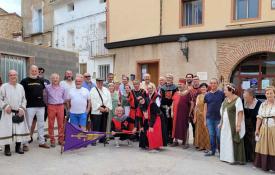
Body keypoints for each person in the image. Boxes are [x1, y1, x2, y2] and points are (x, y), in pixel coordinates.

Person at [0, 70, 30, 156]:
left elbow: (24, 99)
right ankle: (7, 149)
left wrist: (22, 108)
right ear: (8, 76)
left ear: (17, 76)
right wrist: (5, 106)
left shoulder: (20, 87)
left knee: (19, 130)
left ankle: (18, 147)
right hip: (8, 112)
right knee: (7, 130)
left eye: (15, 75)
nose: (13, 77)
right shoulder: (4, 87)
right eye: (11, 75)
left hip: (19, 112)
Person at [20, 65, 49, 149]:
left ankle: (41, 142)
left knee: (41, 124)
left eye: (35, 70)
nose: (34, 72)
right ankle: (25, 143)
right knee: (28, 125)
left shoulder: (41, 80)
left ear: (37, 71)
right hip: (29, 106)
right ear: (30, 71)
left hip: (40, 106)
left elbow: (44, 92)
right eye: (32, 70)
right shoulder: (24, 81)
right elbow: (21, 93)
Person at [220, 84, 246, 164]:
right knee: (225, 140)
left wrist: (238, 125)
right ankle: (225, 157)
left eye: (225, 90)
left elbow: (240, 112)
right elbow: (222, 111)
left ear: (231, 91)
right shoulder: (225, 99)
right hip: (225, 125)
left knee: (232, 140)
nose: (224, 92)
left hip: (233, 124)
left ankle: (234, 159)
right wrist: (221, 122)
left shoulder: (237, 99)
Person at [254, 86, 275, 171]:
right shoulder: (263, 104)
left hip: (273, 128)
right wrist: (257, 129)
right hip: (264, 128)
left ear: (274, 94)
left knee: (273, 147)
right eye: (267, 93)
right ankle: (265, 166)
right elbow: (259, 118)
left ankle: (273, 167)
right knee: (263, 147)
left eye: (271, 93)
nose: (269, 95)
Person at [45, 73, 67, 147]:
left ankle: (61, 139)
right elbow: (46, 98)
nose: (55, 79)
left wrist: (61, 103)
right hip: (51, 106)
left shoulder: (63, 88)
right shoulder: (47, 87)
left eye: (56, 78)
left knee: (61, 124)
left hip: (60, 106)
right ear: (51, 79)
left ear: (59, 79)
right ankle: (52, 140)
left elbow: (64, 98)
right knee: (51, 124)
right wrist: (48, 105)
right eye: (53, 78)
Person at [204, 78, 225, 156]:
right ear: (210, 84)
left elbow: (224, 106)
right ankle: (212, 151)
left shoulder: (222, 94)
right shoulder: (207, 95)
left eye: (215, 83)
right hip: (209, 118)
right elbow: (205, 108)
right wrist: (204, 119)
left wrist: (223, 119)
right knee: (212, 135)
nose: (213, 85)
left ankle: (220, 152)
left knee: (219, 135)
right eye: (211, 83)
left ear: (217, 84)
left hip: (219, 119)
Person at [171, 79, 193, 149]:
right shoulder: (176, 93)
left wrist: (189, 113)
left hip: (184, 113)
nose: (179, 85)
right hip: (175, 113)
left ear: (184, 85)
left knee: (185, 127)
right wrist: (171, 111)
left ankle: (186, 142)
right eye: (179, 84)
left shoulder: (187, 93)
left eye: (181, 84)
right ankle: (176, 141)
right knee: (175, 127)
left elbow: (192, 104)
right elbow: (173, 103)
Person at [90, 77, 112, 144]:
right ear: (96, 82)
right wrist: (99, 108)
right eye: (99, 82)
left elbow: (109, 99)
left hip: (105, 110)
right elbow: (92, 100)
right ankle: (94, 140)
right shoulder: (93, 90)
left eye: (102, 82)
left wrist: (107, 107)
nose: (100, 83)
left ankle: (102, 139)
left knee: (103, 125)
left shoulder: (106, 90)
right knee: (96, 126)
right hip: (97, 111)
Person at [243, 88, 261, 162]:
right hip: (245, 126)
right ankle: (247, 157)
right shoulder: (243, 101)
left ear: (251, 96)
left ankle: (255, 159)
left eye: (245, 95)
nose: (244, 96)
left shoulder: (259, 104)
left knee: (254, 143)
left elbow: (260, 117)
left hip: (254, 126)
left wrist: (258, 129)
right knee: (246, 142)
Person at [160, 74, 178, 144]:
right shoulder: (162, 87)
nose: (168, 79)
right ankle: (165, 137)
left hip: (172, 107)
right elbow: (161, 97)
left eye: (170, 78)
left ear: (172, 79)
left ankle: (171, 138)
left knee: (171, 123)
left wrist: (172, 106)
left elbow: (176, 98)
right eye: (167, 78)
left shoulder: (175, 87)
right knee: (165, 123)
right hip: (164, 107)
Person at [194, 83, 210, 152]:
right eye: (201, 87)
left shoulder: (209, 95)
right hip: (199, 115)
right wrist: (194, 117)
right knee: (199, 131)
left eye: (204, 87)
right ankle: (200, 145)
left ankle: (207, 146)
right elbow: (196, 107)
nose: (203, 88)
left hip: (206, 115)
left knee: (206, 131)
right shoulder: (198, 96)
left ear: (207, 88)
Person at [188, 75, 200, 145]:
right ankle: (195, 141)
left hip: (200, 111)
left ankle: (200, 141)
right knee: (194, 126)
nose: (195, 81)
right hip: (192, 111)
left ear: (199, 80)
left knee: (200, 127)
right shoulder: (190, 90)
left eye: (197, 79)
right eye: (194, 79)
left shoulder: (202, 89)